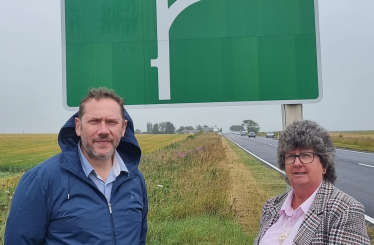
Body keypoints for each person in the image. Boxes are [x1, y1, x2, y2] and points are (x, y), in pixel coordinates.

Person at [5, 87, 148, 244]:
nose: (103, 130)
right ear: (78, 126)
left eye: (112, 122)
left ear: (123, 128)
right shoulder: (41, 181)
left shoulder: (134, 179)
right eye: (94, 121)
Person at [254, 120, 370, 245]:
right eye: (291, 156)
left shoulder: (346, 211)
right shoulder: (271, 206)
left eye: (306, 155)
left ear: (324, 163)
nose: (297, 163)